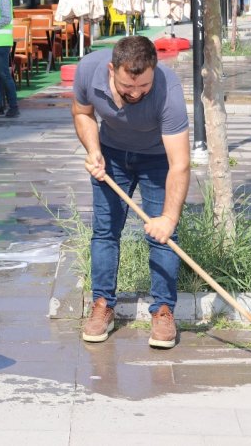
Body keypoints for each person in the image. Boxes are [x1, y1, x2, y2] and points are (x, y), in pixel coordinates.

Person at [72, 35, 190, 349]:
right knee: (105, 230)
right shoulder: (88, 70)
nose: (136, 93)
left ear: (154, 70)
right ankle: (102, 305)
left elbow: (180, 164)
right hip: (111, 153)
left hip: (157, 158)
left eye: (144, 86)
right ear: (112, 69)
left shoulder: (168, 91)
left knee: (163, 233)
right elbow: (82, 113)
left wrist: (168, 217)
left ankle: (163, 309)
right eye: (128, 86)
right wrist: (94, 150)